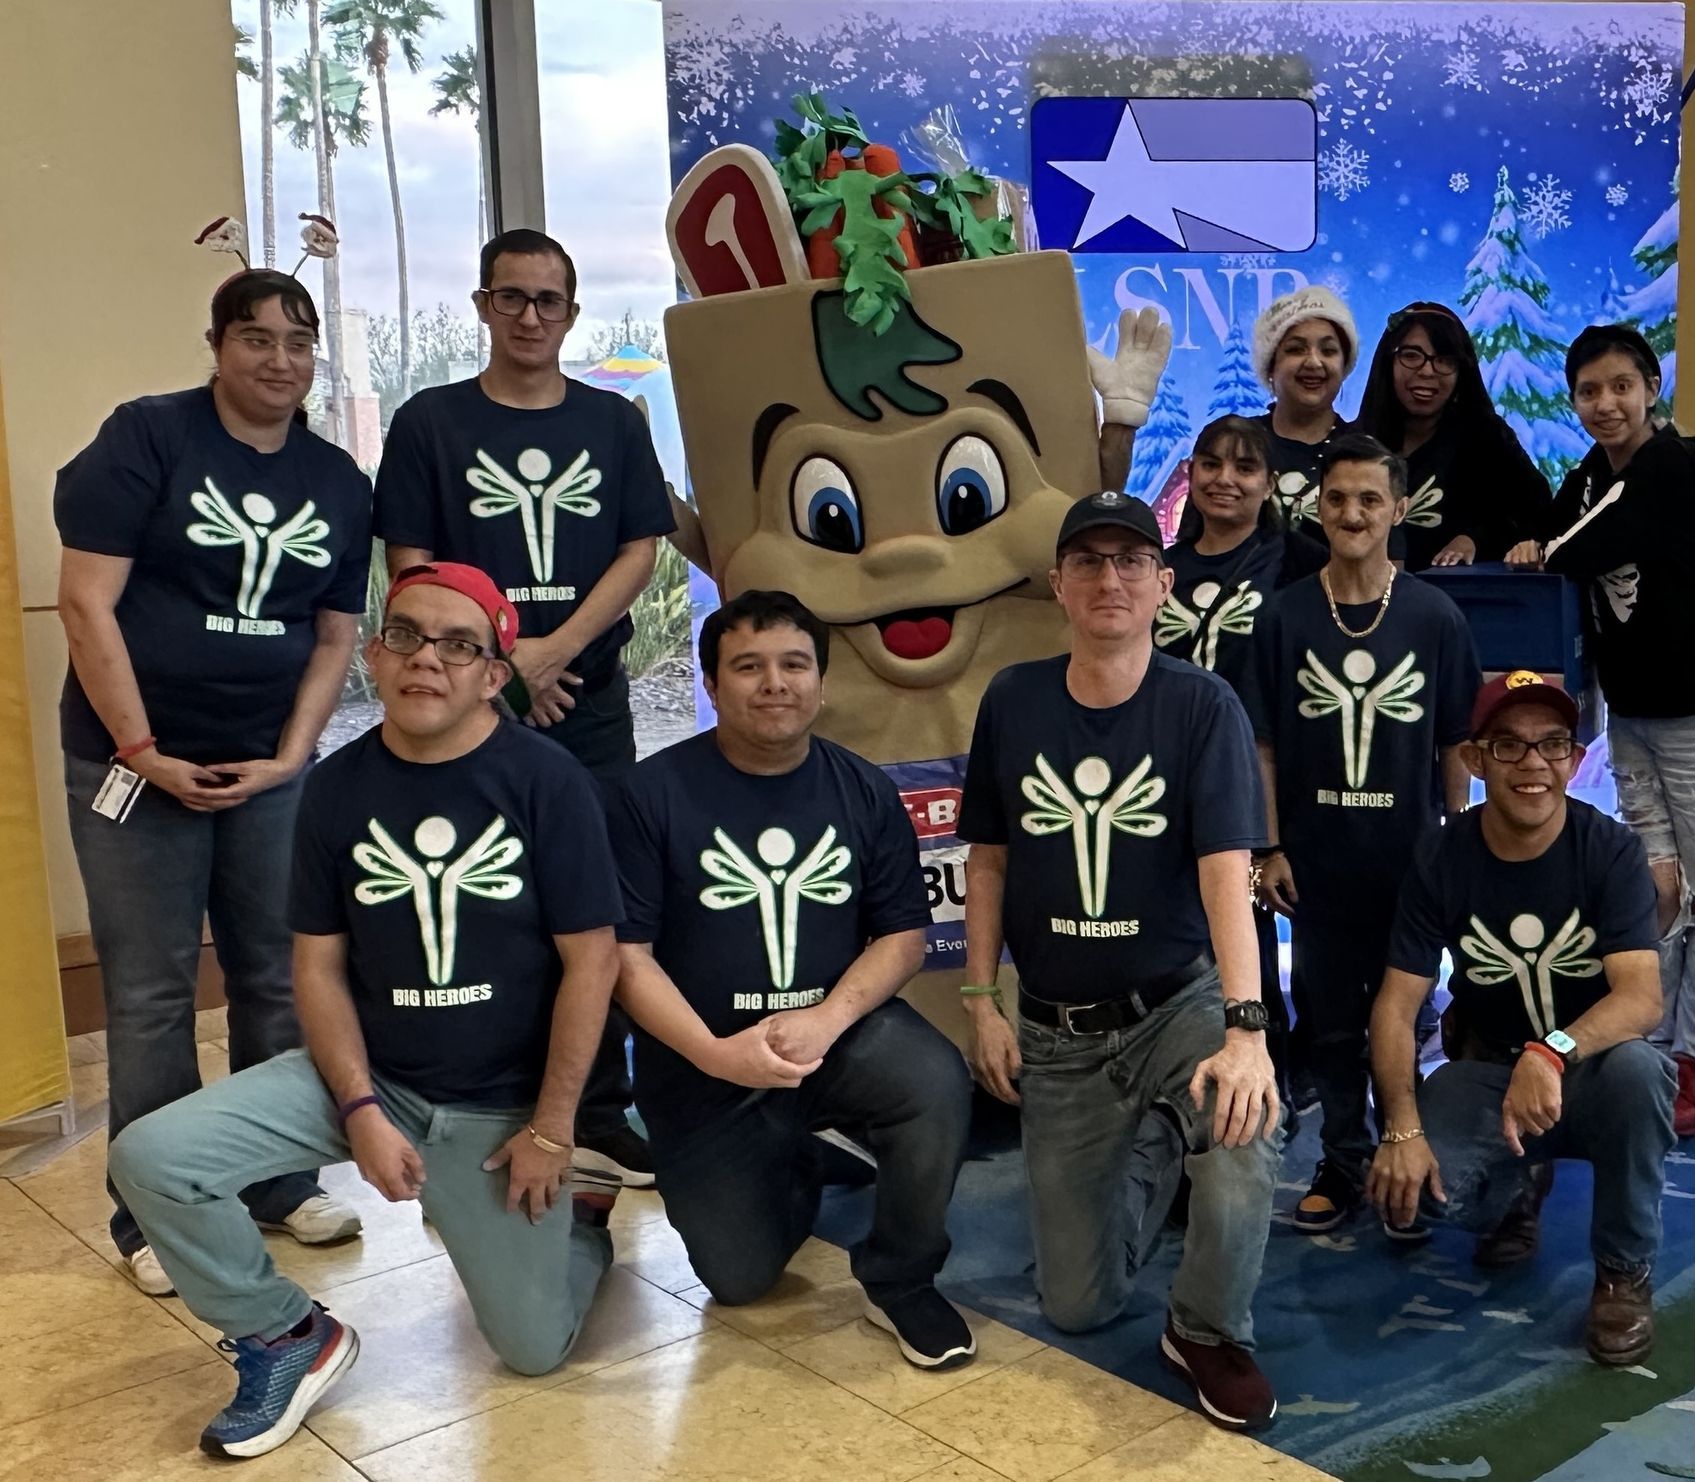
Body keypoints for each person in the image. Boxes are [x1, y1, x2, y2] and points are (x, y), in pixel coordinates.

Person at [108, 564, 622, 1459]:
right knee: (151, 1158)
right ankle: (286, 1335)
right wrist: (359, 1109)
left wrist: (551, 1128)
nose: (429, 659)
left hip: (499, 1109)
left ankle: (574, 1224)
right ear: (375, 657)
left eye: (460, 646)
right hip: (369, 1076)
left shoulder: (548, 783)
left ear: (495, 676)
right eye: (408, 636)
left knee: (533, 1352)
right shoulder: (335, 788)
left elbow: (593, 962)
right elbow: (317, 966)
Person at [55, 268, 368, 1296]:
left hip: (267, 770)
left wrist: (292, 755)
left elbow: (333, 633)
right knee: (149, 997)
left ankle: (281, 1183)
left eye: (298, 341)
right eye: (256, 339)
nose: (279, 360)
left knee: (278, 978)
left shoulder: (333, 479)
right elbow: (86, 604)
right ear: (217, 344)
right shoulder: (149, 437)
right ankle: (155, 1211)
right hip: (134, 767)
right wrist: (142, 750)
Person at [960, 490, 1284, 1430]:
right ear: (1058, 584)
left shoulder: (1201, 706)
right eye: (1090, 562)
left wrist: (1246, 1028)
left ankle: (1209, 1329)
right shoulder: (1013, 700)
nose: (1111, 578)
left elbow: (1227, 870)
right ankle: (1154, 1141)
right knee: (1080, 1304)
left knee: (1242, 1125)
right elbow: (987, 858)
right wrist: (983, 1002)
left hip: (1176, 1001)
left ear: (1163, 585)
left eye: (1132, 561)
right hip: (1058, 1032)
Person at [374, 227, 677, 1190]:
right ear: (482, 307)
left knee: (601, 902)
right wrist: (498, 664)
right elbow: (410, 568)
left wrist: (553, 650)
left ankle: (599, 1112)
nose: (531, 317)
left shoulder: (615, 422)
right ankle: (493, 1100)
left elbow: (640, 549)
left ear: (572, 313)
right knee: (492, 901)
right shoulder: (430, 424)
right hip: (467, 707)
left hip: (588, 698)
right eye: (512, 298)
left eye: (549, 301)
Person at [604, 590, 975, 1369]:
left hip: (833, 1038)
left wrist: (825, 1020)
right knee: (739, 1281)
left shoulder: (863, 788)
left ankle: (901, 1279)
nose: (774, 682)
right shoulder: (646, 796)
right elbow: (623, 959)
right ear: (711, 684)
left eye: (794, 664)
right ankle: (797, 1156)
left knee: (933, 1079)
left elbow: (904, 937)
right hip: (700, 1060)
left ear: (821, 684)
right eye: (748, 666)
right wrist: (714, 1054)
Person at [1368, 671, 1674, 1366]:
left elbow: (1641, 998)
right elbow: (1396, 1002)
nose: (1533, 763)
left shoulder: (1611, 850)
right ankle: (1515, 1187)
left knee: (1641, 1071)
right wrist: (1400, 1126)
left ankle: (1623, 1270)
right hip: (1487, 1069)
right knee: (1414, 1201)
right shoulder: (1442, 853)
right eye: (1508, 746)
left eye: (1552, 744)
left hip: (1589, 1068)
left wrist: (1553, 1051)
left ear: (1574, 758)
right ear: (1475, 760)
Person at [1506, 324, 1695, 1138]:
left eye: (1622, 386)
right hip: (1634, 719)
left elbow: (1574, 547)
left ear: (1652, 388)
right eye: (1588, 391)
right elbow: (1548, 536)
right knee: (1656, 890)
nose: (1605, 404)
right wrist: (1521, 542)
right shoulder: (1588, 474)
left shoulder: (1672, 466)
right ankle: (1648, 1035)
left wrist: (1544, 547)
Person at [1247, 435, 1479, 1233]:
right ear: (1320, 505)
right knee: (1333, 1023)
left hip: (1409, 863)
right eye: (1338, 498)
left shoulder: (1434, 617)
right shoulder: (1283, 616)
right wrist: (1269, 846)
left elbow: (1455, 743)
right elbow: (1265, 743)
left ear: (1399, 509)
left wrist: (1460, 841)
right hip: (1316, 864)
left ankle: (1403, 1159)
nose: (1352, 514)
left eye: (1370, 500)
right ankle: (1344, 1161)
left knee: (1405, 1017)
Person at [1155, 414, 1327, 1103]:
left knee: (1249, 938)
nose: (1226, 479)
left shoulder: (1296, 562)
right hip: (1162, 786)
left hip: (1257, 787)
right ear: (1190, 475)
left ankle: (1270, 1080)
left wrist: (1274, 835)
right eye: (1211, 464)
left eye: (1245, 467)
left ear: (1269, 484)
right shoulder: (1163, 564)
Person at [1356, 301, 1551, 571]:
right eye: (1411, 355)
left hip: (1466, 604)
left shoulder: (1487, 439)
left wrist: (1475, 539)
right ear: (1387, 362)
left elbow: (1539, 517)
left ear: (1462, 372)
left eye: (1445, 360)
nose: (1427, 371)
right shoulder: (1356, 444)